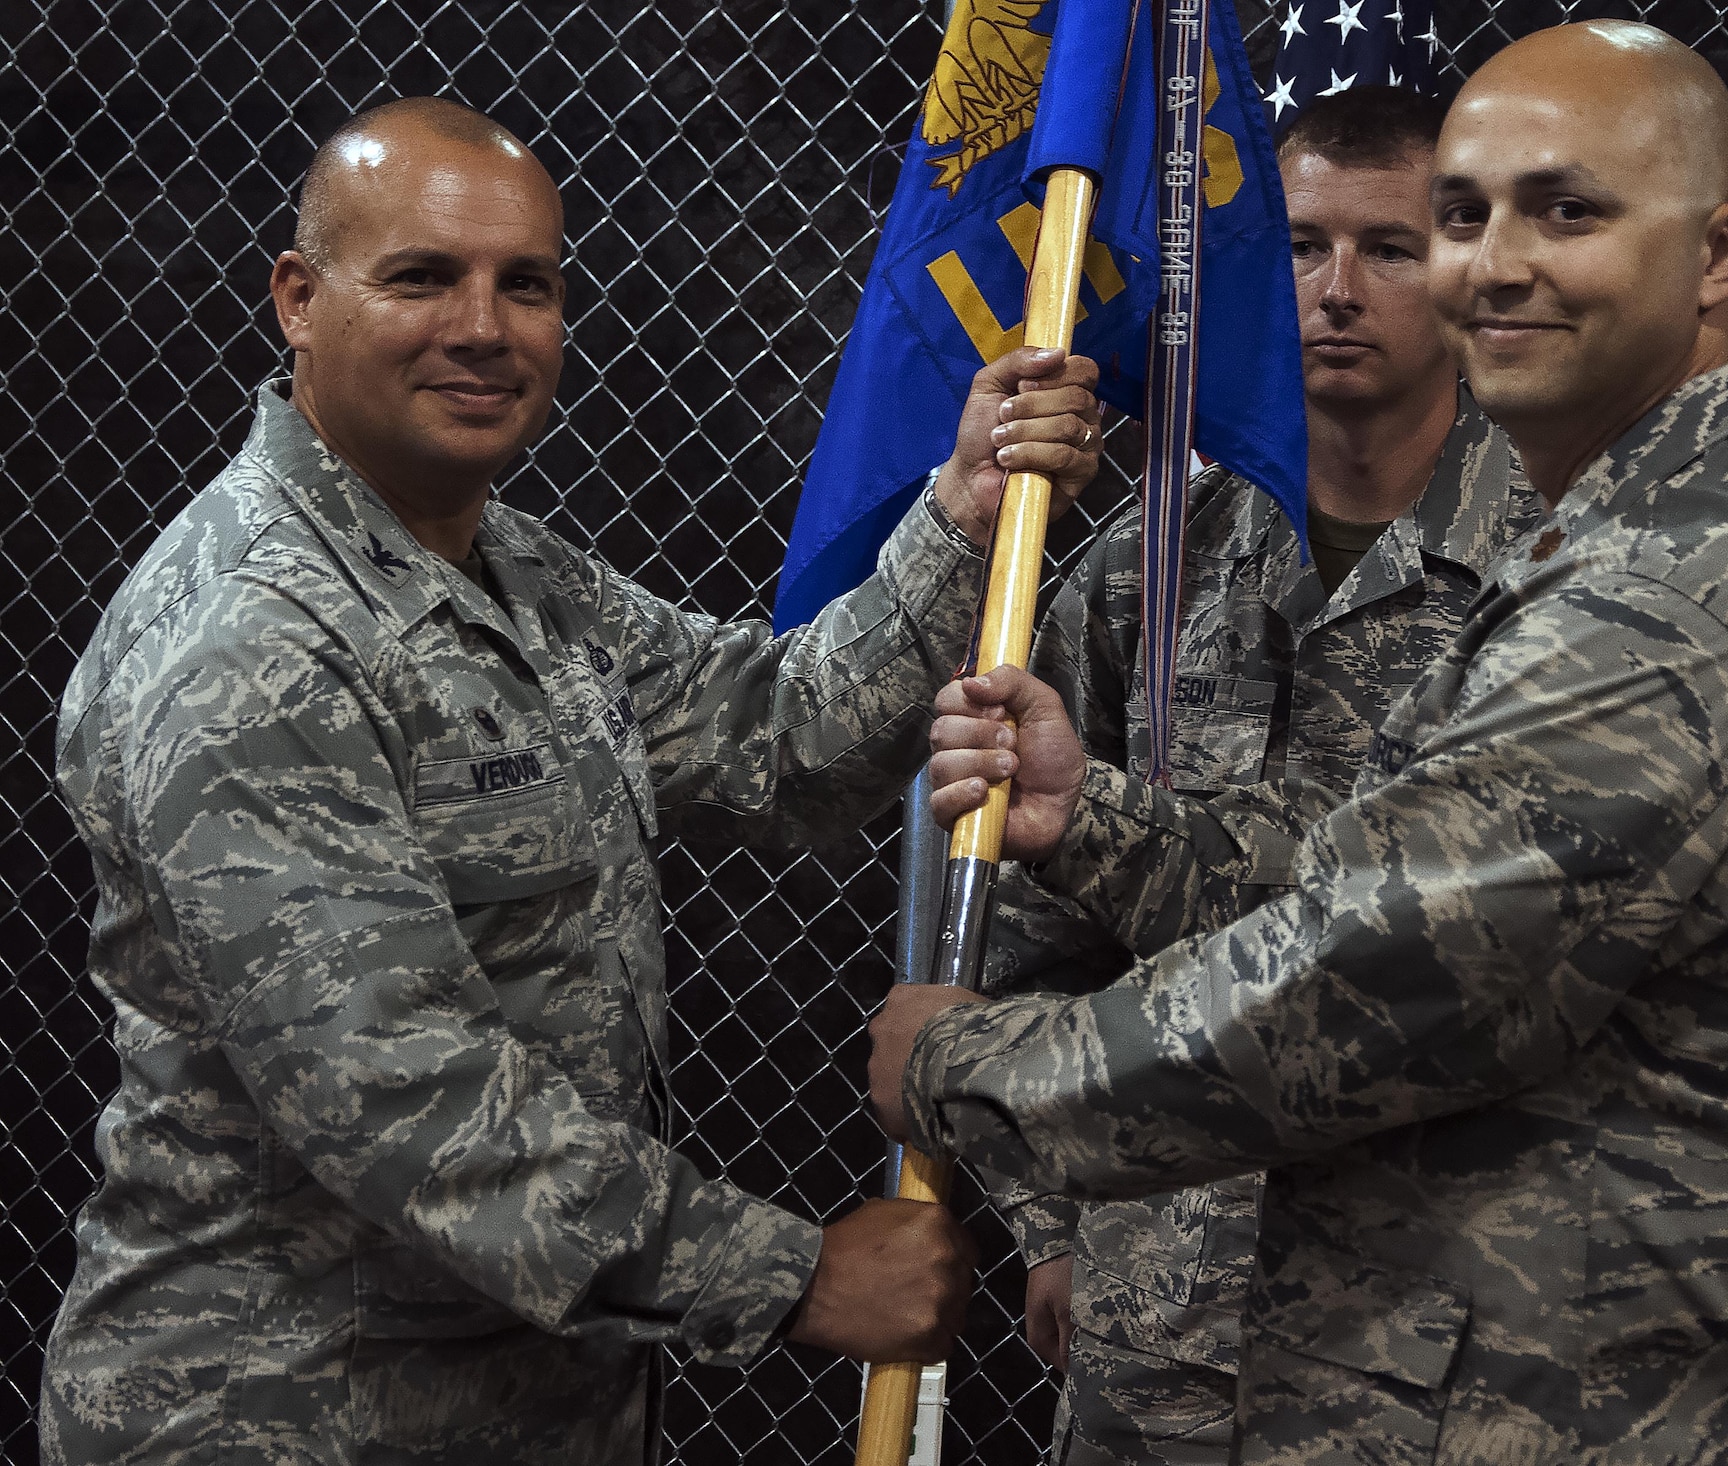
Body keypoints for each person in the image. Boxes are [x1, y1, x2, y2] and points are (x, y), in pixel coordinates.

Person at [875, 21, 1728, 1462]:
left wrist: (968, 1072)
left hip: (1654, 1406)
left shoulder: (1670, 598)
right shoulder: (1635, 524)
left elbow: (1365, 979)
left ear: (1720, 250)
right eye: (1465, 215)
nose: (1493, 264)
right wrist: (1104, 821)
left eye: (1567, 211)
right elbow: (1373, 876)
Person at [41, 97, 1105, 1466]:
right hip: (282, 1416)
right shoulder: (253, 642)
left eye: (524, 284)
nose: (484, 327)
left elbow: (779, 737)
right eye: (423, 276)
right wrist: (797, 1274)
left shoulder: (507, 570)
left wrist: (961, 513)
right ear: (299, 300)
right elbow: (409, 1100)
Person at [972, 87, 1537, 1464]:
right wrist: (1053, 1223)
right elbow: (1026, 916)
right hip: (1155, 1308)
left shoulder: (1552, 571)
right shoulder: (1149, 561)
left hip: (1437, 1333)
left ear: (1462, 273)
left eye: (1389, 249)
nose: (1336, 290)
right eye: (1297, 245)